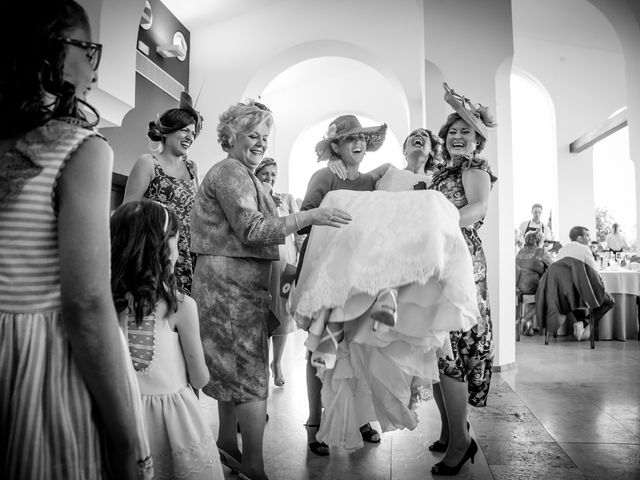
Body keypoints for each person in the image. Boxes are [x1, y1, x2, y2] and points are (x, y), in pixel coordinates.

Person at [0, 2, 152, 479]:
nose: (94, 66)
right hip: (40, 364)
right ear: (53, 53)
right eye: (89, 49)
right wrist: (126, 439)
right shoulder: (81, 149)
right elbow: (86, 304)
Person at [190, 100, 350, 480]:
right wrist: (309, 216)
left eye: (265, 136)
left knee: (231, 372)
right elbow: (253, 229)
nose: (261, 143)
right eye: (252, 135)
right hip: (228, 286)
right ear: (230, 136)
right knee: (249, 374)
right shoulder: (230, 172)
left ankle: (228, 445)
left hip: (232, 283)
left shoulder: (245, 174)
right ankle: (253, 466)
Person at [295, 114, 391, 456]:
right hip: (327, 276)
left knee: (360, 348)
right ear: (336, 146)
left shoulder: (369, 181)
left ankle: (361, 418)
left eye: (362, 138)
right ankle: (314, 421)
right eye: (350, 138)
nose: (358, 143)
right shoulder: (325, 175)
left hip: (360, 277)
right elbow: (304, 221)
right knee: (322, 347)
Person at [111, 200, 224, 480]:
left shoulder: (105, 305)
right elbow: (199, 379)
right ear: (162, 249)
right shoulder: (181, 307)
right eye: (175, 239)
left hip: (117, 419)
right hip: (172, 426)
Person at [427, 82, 497, 475]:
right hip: (439, 257)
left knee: (452, 350)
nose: (456, 137)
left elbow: (478, 207)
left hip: (461, 260)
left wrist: (440, 223)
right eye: (452, 132)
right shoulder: (443, 170)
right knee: (439, 347)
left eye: (464, 132)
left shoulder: (475, 168)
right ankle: (450, 429)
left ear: (477, 140)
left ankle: (460, 443)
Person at [123, 94, 203, 294]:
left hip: (186, 253)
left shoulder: (193, 168)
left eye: (192, 133)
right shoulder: (148, 162)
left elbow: (199, 210)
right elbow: (128, 210)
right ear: (167, 132)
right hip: (154, 250)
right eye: (184, 130)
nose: (190, 137)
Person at [255, 157, 303, 387]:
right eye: (265, 173)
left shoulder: (287, 199)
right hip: (262, 264)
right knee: (264, 314)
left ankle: (278, 363)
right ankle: (263, 365)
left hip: (287, 264)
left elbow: (300, 232)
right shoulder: (251, 198)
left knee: (283, 313)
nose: (270, 178)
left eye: (273, 174)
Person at [555, 226, 615, 340]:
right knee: (610, 301)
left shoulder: (562, 250)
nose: (590, 238)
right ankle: (585, 323)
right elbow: (595, 272)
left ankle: (581, 324)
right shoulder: (584, 249)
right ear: (579, 238)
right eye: (587, 236)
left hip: (563, 294)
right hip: (580, 294)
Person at [516, 230, 552, 335]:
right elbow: (553, 266)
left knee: (533, 298)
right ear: (538, 240)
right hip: (533, 286)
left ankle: (528, 326)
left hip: (519, 286)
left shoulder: (520, 251)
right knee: (547, 297)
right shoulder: (540, 252)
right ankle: (522, 320)